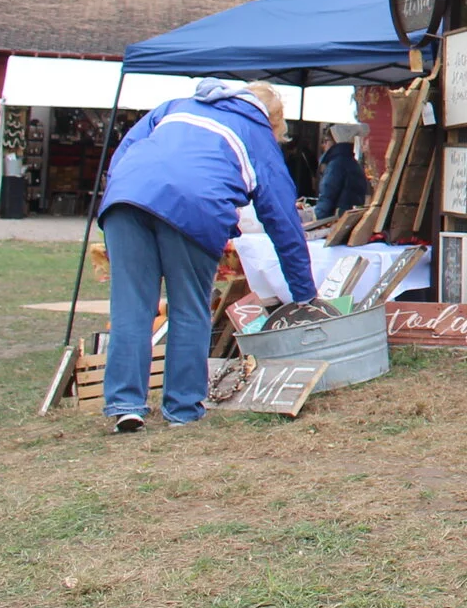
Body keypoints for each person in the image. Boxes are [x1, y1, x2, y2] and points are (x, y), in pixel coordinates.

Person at [97, 81, 315, 432]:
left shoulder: (173, 107)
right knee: (189, 308)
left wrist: (115, 200)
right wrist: (305, 294)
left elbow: (123, 154)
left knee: (130, 308)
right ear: (274, 121)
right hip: (196, 209)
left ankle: (125, 405)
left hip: (126, 200)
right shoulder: (256, 133)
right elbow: (284, 222)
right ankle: (182, 409)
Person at [313, 123, 370, 220]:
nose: (324, 145)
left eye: (326, 141)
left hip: (335, 221)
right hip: (346, 220)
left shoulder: (336, 165)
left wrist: (316, 218)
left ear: (335, 142)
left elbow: (327, 197)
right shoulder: (353, 163)